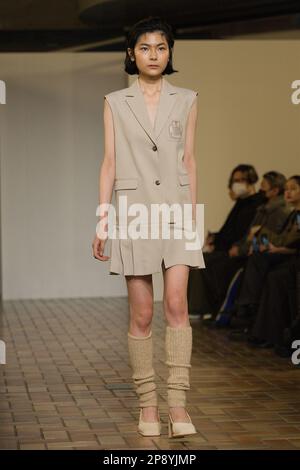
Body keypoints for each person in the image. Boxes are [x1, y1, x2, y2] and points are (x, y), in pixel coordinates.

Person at [92, 16, 205, 438]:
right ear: (130, 53)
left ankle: (178, 405)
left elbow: (189, 161)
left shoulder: (188, 98)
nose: (153, 54)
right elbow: (108, 162)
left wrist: (193, 218)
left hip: (176, 211)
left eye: (161, 47)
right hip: (134, 210)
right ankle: (148, 405)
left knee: (177, 305)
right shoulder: (115, 102)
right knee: (141, 313)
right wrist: (104, 220)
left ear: (170, 53)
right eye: (144, 47)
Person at [188, 164, 265, 319]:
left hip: (238, 252)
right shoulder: (241, 203)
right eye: (235, 180)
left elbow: (243, 234)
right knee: (197, 260)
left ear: (251, 180)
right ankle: (202, 308)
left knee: (209, 263)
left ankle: (216, 310)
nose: (237, 184)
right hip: (227, 248)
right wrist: (215, 238)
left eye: (242, 180)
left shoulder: (256, 204)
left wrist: (222, 243)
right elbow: (229, 230)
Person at [229, 175, 300, 341]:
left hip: (293, 259)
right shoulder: (293, 213)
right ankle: (249, 313)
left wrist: (268, 238)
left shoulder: (294, 215)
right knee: (257, 260)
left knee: (267, 270)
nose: (288, 193)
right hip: (286, 254)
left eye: (293, 189)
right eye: (287, 189)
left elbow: (292, 242)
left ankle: (249, 309)